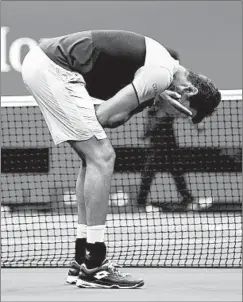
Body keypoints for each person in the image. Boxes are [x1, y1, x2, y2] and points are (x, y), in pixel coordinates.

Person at [21, 30, 221, 289]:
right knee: (102, 156)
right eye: (184, 109)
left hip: (47, 65)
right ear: (189, 89)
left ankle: (82, 260)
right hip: (54, 68)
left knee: (91, 158)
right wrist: (151, 98)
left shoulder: (157, 73)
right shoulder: (160, 74)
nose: (177, 114)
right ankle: (95, 266)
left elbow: (114, 120)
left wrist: (152, 101)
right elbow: (103, 116)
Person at [137, 50, 195, 211]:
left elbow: (178, 105)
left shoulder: (174, 81)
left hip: (167, 136)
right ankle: (141, 202)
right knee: (153, 170)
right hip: (158, 136)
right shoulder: (159, 80)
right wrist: (149, 128)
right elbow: (155, 109)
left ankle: (187, 199)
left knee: (174, 169)